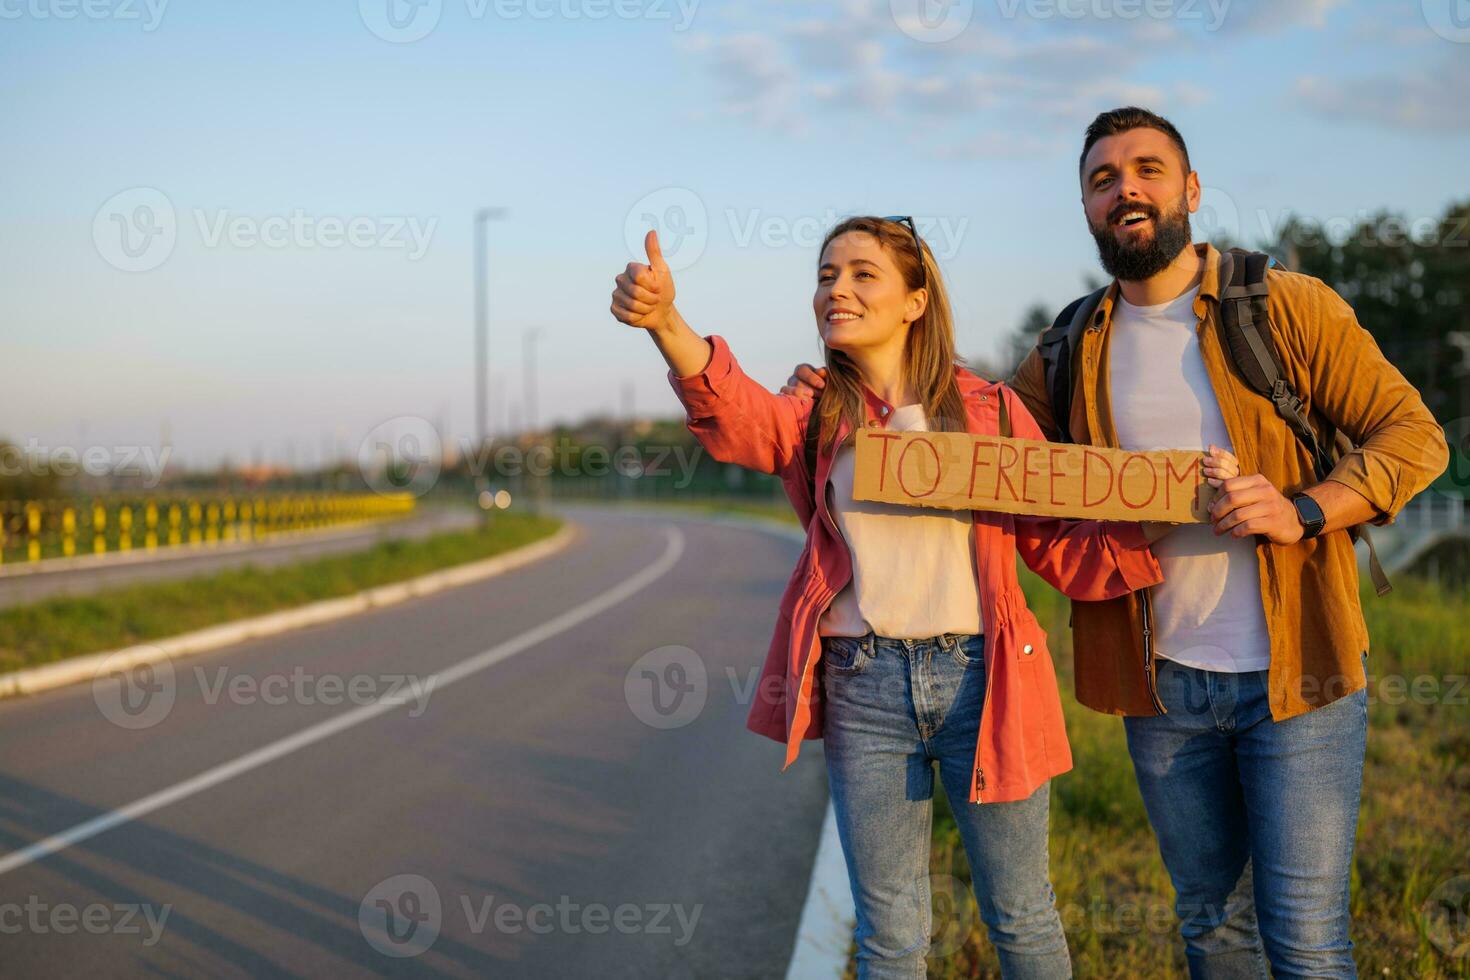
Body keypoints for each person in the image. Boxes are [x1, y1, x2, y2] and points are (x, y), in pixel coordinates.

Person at [779, 111, 1450, 978]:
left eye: (1147, 170)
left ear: (1190, 191)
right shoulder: (1068, 347)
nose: (1124, 188)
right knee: (1211, 925)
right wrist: (834, 381)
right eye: (1102, 179)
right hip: (1160, 684)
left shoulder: (1284, 307)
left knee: (1307, 938)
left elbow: (1414, 436)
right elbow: (971, 435)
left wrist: (1306, 510)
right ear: (1089, 210)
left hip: (1300, 672)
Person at [610, 214, 1236, 978]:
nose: (835, 288)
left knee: (1022, 915)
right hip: (863, 687)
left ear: (915, 300)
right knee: (892, 934)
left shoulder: (994, 414)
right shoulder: (815, 416)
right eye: (825, 274)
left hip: (988, 681)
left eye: (861, 273)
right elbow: (736, 416)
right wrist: (667, 322)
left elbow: (1061, 542)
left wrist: (1174, 506)